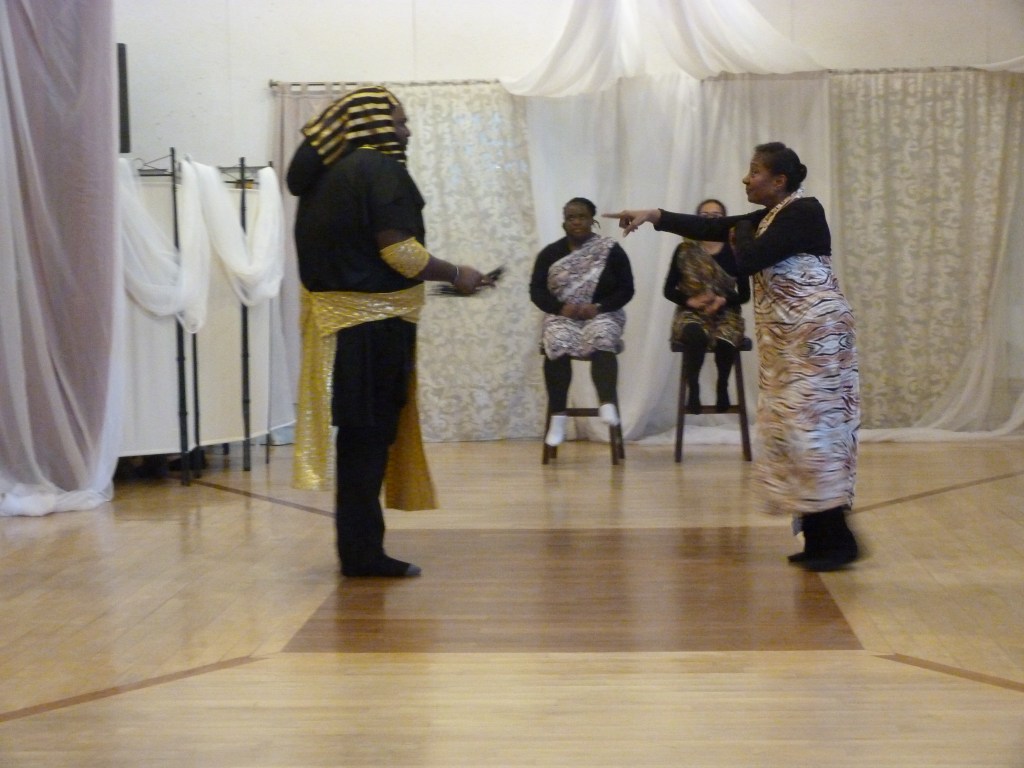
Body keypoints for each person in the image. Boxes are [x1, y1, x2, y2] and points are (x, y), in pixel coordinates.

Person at [608, 142, 860, 571]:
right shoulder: (771, 216)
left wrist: (738, 229)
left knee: (812, 433)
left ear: (779, 181)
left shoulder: (804, 211)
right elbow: (714, 228)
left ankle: (838, 541)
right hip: (789, 339)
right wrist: (654, 216)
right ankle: (822, 538)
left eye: (754, 171)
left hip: (815, 337)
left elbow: (747, 258)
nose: (746, 178)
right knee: (791, 433)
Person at [286, 86, 493, 578]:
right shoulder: (379, 170)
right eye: (399, 121)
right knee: (369, 439)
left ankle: (358, 548)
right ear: (376, 125)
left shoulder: (327, 177)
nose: (407, 131)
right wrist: (457, 273)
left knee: (359, 439)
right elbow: (401, 253)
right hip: (373, 329)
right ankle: (363, 555)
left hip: (343, 328)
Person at [530, 197, 634, 447]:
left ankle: (606, 402)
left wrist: (598, 307)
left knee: (602, 336)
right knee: (556, 341)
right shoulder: (550, 254)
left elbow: (626, 289)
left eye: (582, 217)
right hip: (562, 316)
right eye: (571, 217)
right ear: (564, 222)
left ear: (592, 220)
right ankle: (558, 417)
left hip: (601, 314)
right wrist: (560, 308)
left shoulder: (610, 250)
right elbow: (536, 291)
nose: (576, 222)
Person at [663, 198, 750, 414]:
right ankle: (693, 387)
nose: (711, 220)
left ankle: (722, 385)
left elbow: (745, 295)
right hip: (691, 312)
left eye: (716, 216)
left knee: (725, 340)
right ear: (696, 220)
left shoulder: (736, 250)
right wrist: (690, 301)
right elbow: (668, 290)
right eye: (704, 216)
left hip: (726, 313)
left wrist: (722, 300)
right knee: (695, 336)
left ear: (725, 220)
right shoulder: (685, 249)